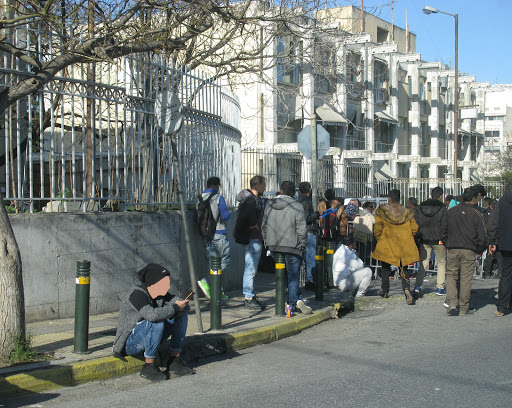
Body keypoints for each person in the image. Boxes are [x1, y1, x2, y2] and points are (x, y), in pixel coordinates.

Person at [113, 264, 193, 381]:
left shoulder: (160, 295)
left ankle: (174, 360)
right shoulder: (137, 294)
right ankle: (148, 366)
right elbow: (151, 315)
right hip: (129, 343)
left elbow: (180, 305)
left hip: (148, 336)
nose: (168, 286)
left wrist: (182, 304)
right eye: (165, 283)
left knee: (181, 317)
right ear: (154, 283)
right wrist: (175, 308)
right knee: (156, 322)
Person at [262, 181, 312, 315]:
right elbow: (301, 228)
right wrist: (302, 244)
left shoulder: (269, 205)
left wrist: (267, 241)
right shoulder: (297, 206)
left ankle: (289, 299)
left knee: (281, 274)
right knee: (293, 276)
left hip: (274, 245)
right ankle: (292, 302)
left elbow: (264, 226)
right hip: (292, 246)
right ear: (294, 193)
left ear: (281, 190)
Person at [442, 187, 488, 316]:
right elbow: (482, 235)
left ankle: (452, 303)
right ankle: (463, 307)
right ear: (474, 198)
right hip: (469, 249)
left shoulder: (450, 212)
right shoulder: (476, 214)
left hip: (452, 248)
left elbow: (443, 230)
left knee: (451, 276)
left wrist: (447, 244)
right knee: (466, 278)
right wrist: (479, 249)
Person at [372, 189, 419, 305]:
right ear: (399, 198)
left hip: (387, 241)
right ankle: (407, 289)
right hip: (403, 243)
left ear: (389, 198)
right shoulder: (407, 212)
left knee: (385, 268)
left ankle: (385, 290)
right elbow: (415, 228)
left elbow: (377, 228)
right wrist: (408, 236)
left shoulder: (382, 211)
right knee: (404, 268)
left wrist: (380, 238)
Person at [236, 176, 267, 310]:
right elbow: (247, 218)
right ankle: (248, 296)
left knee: (252, 268)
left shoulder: (251, 199)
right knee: (251, 268)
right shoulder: (251, 201)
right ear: (258, 186)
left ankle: (251, 295)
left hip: (254, 238)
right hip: (253, 238)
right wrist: (253, 226)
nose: (265, 187)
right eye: (264, 185)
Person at [197, 177, 231, 300]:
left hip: (205, 235)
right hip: (219, 233)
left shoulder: (199, 198)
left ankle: (217, 290)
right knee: (225, 261)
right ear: (217, 186)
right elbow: (226, 216)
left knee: (212, 263)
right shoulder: (218, 198)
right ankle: (208, 282)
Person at [414, 186, 447, 297]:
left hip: (424, 238)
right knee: (441, 263)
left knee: (423, 262)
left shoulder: (420, 207)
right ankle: (440, 287)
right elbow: (444, 224)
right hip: (438, 239)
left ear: (431, 195)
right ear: (440, 196)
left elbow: (416, 222)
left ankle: (418, 286)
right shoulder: (442, 208)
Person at [488, 190, 512, 317]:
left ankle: (502, 307)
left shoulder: (503, 201)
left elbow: (494, 222)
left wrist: (492, 240)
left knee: (506, 275)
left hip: (506, 243)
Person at [297, 181, 318, 291]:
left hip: (301, 232)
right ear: (309, 190)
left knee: (302, 258)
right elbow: (305, 219)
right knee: (310, 258)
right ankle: (310, 281)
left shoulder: (298, 201)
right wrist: (316, 215)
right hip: (308, 231)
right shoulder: (306, 202)